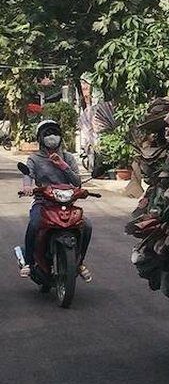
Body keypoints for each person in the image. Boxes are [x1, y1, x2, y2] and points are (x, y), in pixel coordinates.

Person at [20, 119, 93, 281]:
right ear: (40, 138)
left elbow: (77, 182)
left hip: (66, 202)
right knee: (34, 224)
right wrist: (27, 186)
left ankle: (79, 262)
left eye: (55, 133)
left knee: (87, 226)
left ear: (60, 136)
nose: (52, 137)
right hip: (43, 202)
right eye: (47, 133)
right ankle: (29, 263)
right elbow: (28, 174)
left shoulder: (68, 157)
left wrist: (62, 165)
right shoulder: (34, 158)